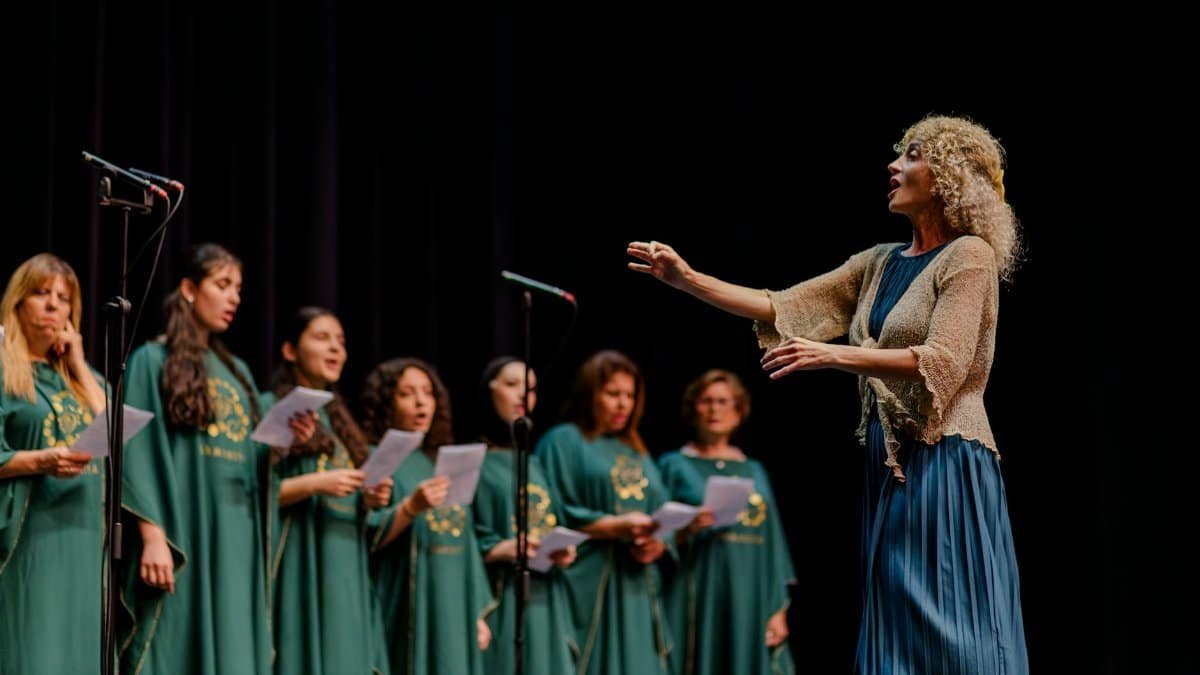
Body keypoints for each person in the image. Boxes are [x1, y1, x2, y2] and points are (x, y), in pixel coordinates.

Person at [628, 115, 1028, 674]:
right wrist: (687, 279)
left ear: (948, 176)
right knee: (896, 619)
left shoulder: (969, 257)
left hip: (947, 458)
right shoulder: (879, 263)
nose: (894, 166)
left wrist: (834, 355)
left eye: (912, 155)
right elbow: (783, 305)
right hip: (891, 466)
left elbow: (943, 360)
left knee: (952, 620)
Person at [119, 243, 315, 674]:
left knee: (233, 641)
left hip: (236, 532)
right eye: (223, 285)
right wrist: (153, 537)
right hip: (186, 530)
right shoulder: (152, 360)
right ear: (190, 289)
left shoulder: (238, 373)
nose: (234, 298)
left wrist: (282, 442)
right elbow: (138, 450)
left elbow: (250, 457)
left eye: (238, 289)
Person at [535, 349, 697, 675]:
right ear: (590, 394)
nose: (624, 404)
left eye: (630, 395)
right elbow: (551, 509)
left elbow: (660, 507)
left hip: (637, 582)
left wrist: (659, 542)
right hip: (590, 579)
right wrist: (613, 526)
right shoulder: (565, 440)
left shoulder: (636, 449)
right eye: (613, 394)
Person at [267, 306, 393, 675]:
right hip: (300, 560)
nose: (336, 348)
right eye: (322, 338)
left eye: (340, 341)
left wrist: (368, 498)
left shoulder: (341, 424)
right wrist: (315, 484)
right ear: (290, 350)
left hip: (345, 561)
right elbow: (255, 492)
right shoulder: (272, 408)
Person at [0, 253, 107, 673]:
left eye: (64, 299)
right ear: (18, 302)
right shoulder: (5, 370)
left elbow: (117, 437)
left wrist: (78, 365)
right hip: (30, 537)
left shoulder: (83, 379)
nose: (52, 306)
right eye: (41, 294)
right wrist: (39, 461)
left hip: (83, 535)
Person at [361, 357, 494, 675]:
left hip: (454, 603)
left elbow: (465, 539)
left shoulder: (443, 462)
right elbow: (368, 536)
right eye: (407, 394)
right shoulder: (377, 457)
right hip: (409, 600)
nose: (421, 402)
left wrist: (476, 610)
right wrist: (412, 506)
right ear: (386, 403)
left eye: (428, 393)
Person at [657, 369, 795, 675]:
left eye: (723, 401)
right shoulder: (674, 464)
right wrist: (687, 528)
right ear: (693, 408)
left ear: (738, 411)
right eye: (706, 401)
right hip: (697, 587)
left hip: (750, 592)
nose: (714, 409)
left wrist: (778, 609)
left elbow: (772, 543)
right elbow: (656, 534)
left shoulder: (754, 470)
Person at [470, 356, 577, 675]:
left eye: (530, 388)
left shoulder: (534, 463)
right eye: (512, 384)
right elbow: (457, 534)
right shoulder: (475, 461)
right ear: (489, 390)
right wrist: (498, 548)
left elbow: (551, 518)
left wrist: (562, 549)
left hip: (544, 595)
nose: (522, 395)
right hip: (500, 595)